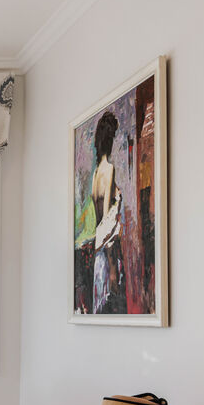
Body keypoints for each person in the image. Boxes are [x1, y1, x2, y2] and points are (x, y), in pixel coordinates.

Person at [90, 111, 126, 313]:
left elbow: (98, 220)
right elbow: (106, 220)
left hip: (99, 254)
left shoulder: (96, 174)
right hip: (107, 251)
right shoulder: (109, 169)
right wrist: (113, 267)